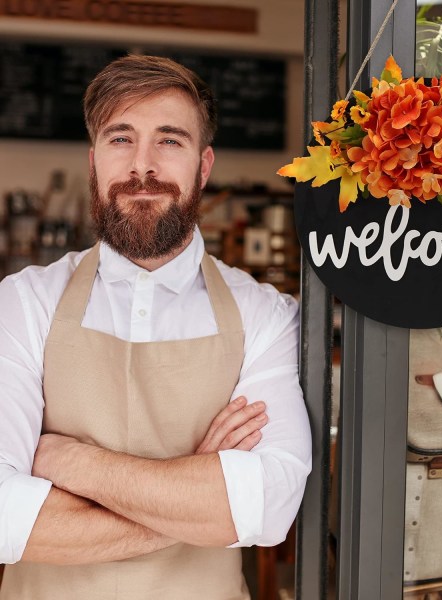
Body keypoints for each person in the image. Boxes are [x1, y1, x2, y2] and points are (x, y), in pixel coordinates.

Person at [0, 54, 311, 599]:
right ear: (93, 161)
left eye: (169, 140)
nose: (142, 166)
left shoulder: (267, 315)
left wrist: (71, 461)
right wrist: (199, 492)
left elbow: (268, 508)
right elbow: (4, 519)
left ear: (204, 165)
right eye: (121, 139)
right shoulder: (22, 303)